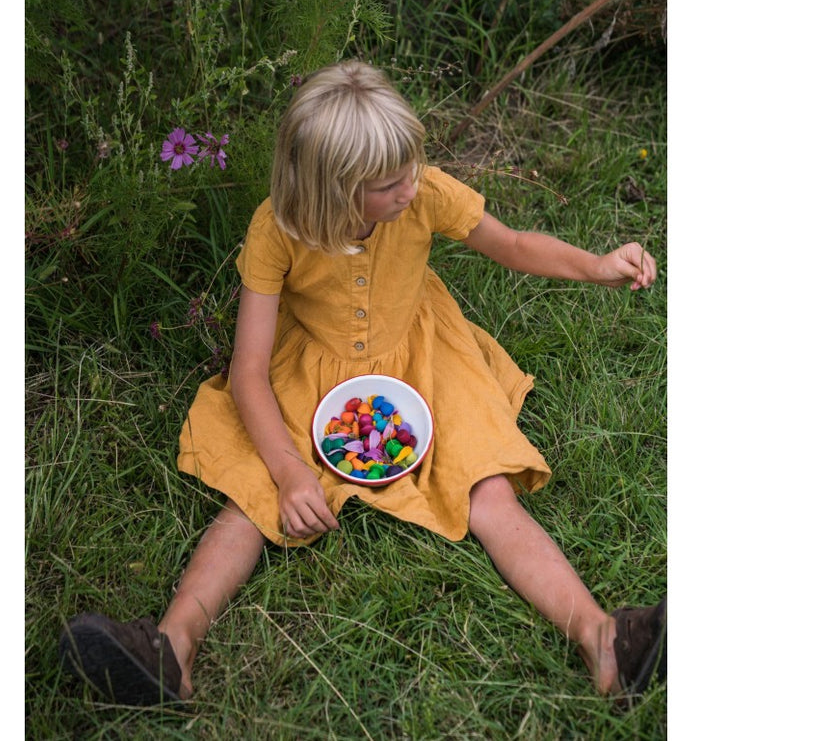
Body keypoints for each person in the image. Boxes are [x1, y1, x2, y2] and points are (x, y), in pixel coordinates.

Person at [59, 60, 665, 705]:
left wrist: (596, 265)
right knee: (252, 501)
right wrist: (291, 473)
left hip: (425, 360)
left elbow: (512, 243)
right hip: (312, 371)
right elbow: (248, 371)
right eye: (388, 183)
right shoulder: (277, 229)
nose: (409, 188)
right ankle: (170, 650)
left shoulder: (423, 191)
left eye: (411, 169)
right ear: (331, 190)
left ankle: (604, 639)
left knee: (488, 491)